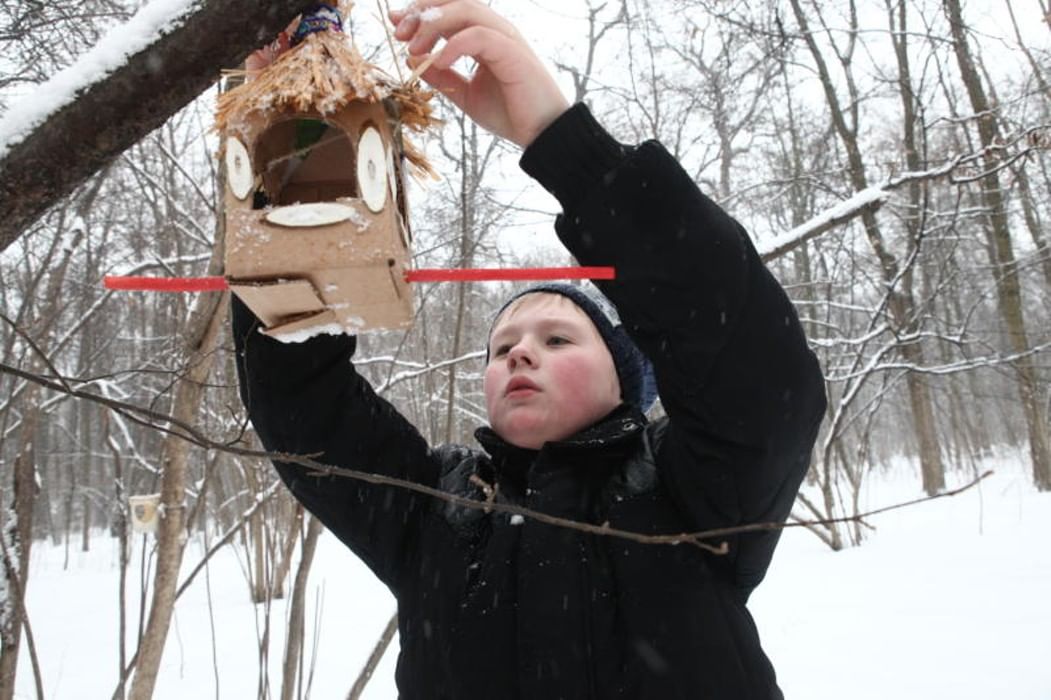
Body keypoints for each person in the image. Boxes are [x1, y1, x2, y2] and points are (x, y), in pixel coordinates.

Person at [233, 1, 827, 697]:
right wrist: (301, 168)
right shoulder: (433, 511)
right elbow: (303, 400)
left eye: (556, 339)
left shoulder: (691, 488)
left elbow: (752, 365)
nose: (518, 354)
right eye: (500, 346)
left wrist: (559, 138)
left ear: (624, 380)